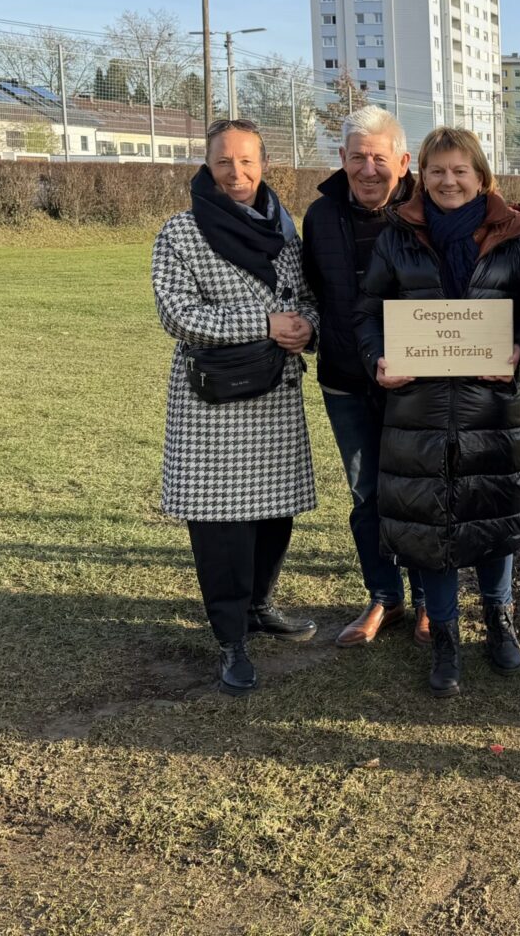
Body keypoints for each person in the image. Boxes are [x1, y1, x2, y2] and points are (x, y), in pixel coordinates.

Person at [353, 127, 520, 698]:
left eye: (460, 170)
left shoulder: (517, 236)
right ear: (422, 176)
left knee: (491, 511)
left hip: (490, 403)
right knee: (429, 518)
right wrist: (378, 359)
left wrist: (518, 348)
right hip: (417, 405)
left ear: (482, 176)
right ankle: (445, 636)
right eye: (437, 170)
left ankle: (498, 619)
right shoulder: (398, 236)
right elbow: (368, 312)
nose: (447, 181)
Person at [151, 118, 319, 695]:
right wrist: (267, 323)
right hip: (213, 401)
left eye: (247, 161)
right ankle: (230, 638)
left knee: (275, 513)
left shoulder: (284, 229)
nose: (237, 172)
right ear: (207, 165)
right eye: (224, 161)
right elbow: (179, 315)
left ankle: (258, 605)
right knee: (222, 526)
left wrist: (306, 330)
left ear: (264, 163)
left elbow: (306, 301)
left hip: (274, 396)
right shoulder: (180, 232)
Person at [302, 106, 430, 649]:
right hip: (346, 381)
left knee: (421, 492)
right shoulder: (319, 216)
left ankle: (429, 601)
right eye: (359, 157)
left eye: (380, 157)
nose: (369, 168)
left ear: (403, 161)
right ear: (342, 159)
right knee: (366, 494)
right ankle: (385, 597)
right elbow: (310, 290)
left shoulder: (430, 211)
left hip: (417, 381)